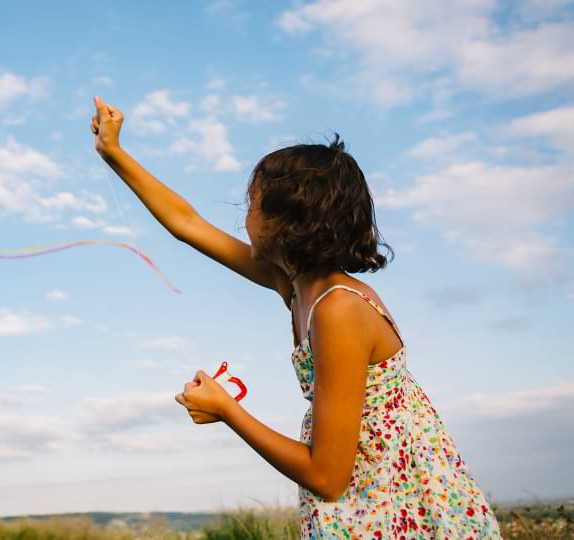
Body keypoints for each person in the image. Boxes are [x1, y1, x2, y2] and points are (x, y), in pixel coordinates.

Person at [91, 96, 502, 539]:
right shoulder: (293, 283)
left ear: (288, 223)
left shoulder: (338, 309)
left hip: (396, 505)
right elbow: (187, 223)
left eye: (253, 204)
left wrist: (229, 411)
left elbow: (327, 476)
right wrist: (114, 153)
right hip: (370, 497)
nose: (243, 217)